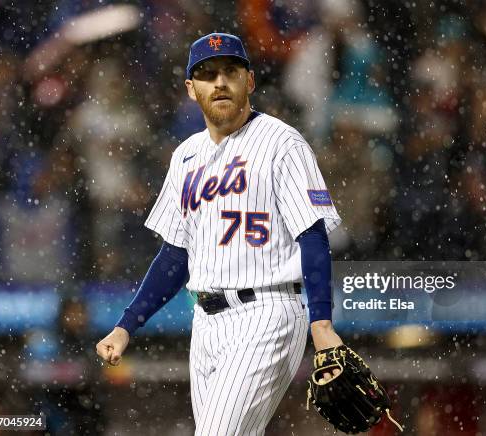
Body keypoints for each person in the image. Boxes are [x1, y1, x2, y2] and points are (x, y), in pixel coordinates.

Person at [95, 32, 344, 435]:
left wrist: (322, 324)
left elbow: (312, 236)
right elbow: (176, 255)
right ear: (192, 90)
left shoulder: (282, 144)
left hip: (268, 311)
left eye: (230, 71)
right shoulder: (185, 156)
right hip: (205, 321)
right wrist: (127, 325)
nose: (220, 82)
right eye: (208, 75)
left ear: (250, 81)